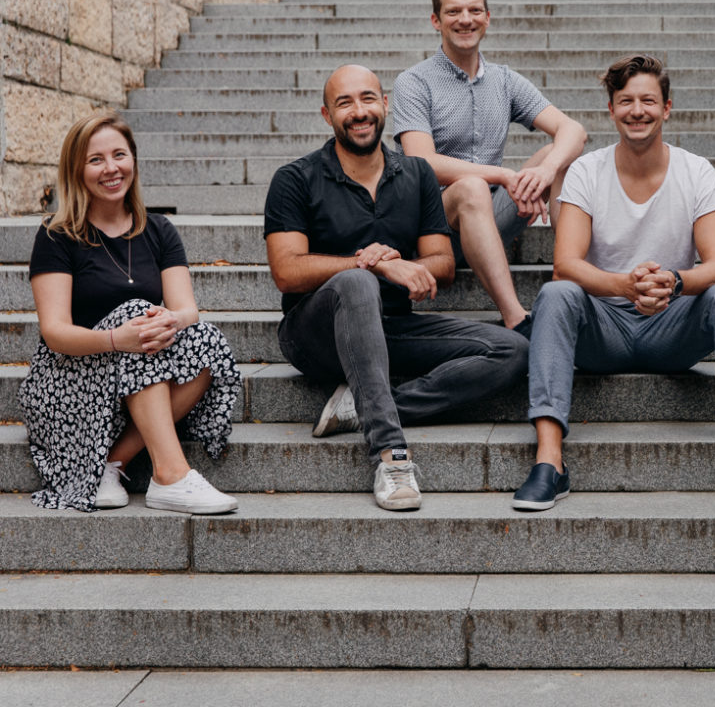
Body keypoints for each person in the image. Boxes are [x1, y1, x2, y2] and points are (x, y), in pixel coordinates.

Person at [515, 54, 715, 512]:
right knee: (556, 293)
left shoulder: (695, 170)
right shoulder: (586, 171)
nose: (637, 110)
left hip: (672, 326)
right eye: (626, 101)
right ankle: (549, 462)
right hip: (602, 329)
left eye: (648, 100)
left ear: (667, 108)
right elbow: (566, 264)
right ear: (610, 109)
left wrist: (674, 282)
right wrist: (624, 286)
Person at [265, 64, 528, 512]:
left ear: (385, 105)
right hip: (315, 335)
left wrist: (400, 264)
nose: (359, 111)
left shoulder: (417, 174)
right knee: (356, 280)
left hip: (391, 330)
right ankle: (391, 456)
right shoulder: (296, 179)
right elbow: (287, 272)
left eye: (368, 98)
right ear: (327, 115)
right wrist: (377, 265)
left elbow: (443, 263)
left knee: (511, 350)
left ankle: (363, 404)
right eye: (344, 103)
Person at [19, 111, 241, 514]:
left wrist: (171, 320)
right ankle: (171, 475)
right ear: (76, 170)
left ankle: (109, 462)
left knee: (205, 340)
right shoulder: (57, 235)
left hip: (136, 371)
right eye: (95, 160)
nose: (111, 169)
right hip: (69, 381)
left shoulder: (158, 230)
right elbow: (54, 332)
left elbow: (186, 307)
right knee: (138, 316)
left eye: (119, 155)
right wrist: (115, 338)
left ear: (133, 160)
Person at [391, 0, 587, 337]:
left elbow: (574, 130)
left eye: (474, 10)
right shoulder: (413, 82)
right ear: (436, 20)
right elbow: (423, 163)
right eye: (453, 12)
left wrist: (543, 174)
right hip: (433, 228)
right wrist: (501, 175)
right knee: (471, 187)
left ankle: (565, 277)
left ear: (487, 17)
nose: (465, 19)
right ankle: (516, 317)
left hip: (489, 214)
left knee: (559, 156)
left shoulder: (504, 80)